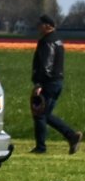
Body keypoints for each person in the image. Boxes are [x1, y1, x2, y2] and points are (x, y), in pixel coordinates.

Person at [30, 15, 82, 155]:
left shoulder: (47, 42)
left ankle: (41, 147)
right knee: (45, 114)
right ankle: (71, 136)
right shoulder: (58, 40)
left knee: (40, 114)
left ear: (47, 26)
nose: (38, 26)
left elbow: (47, 64)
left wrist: (39, 83)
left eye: (40, 24)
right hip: (57, 81)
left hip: (48, 82)